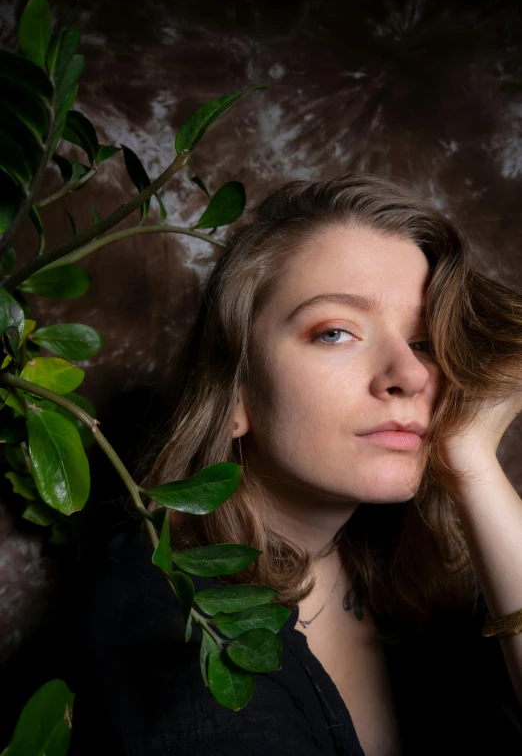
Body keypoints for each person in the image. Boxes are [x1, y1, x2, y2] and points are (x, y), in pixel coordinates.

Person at [69, 172, 522, 755]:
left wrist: (471, 464)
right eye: (336, 332)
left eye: (424, 342)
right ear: (236, 392)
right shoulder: (162, 600)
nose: (408, 376)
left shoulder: (419, 568)